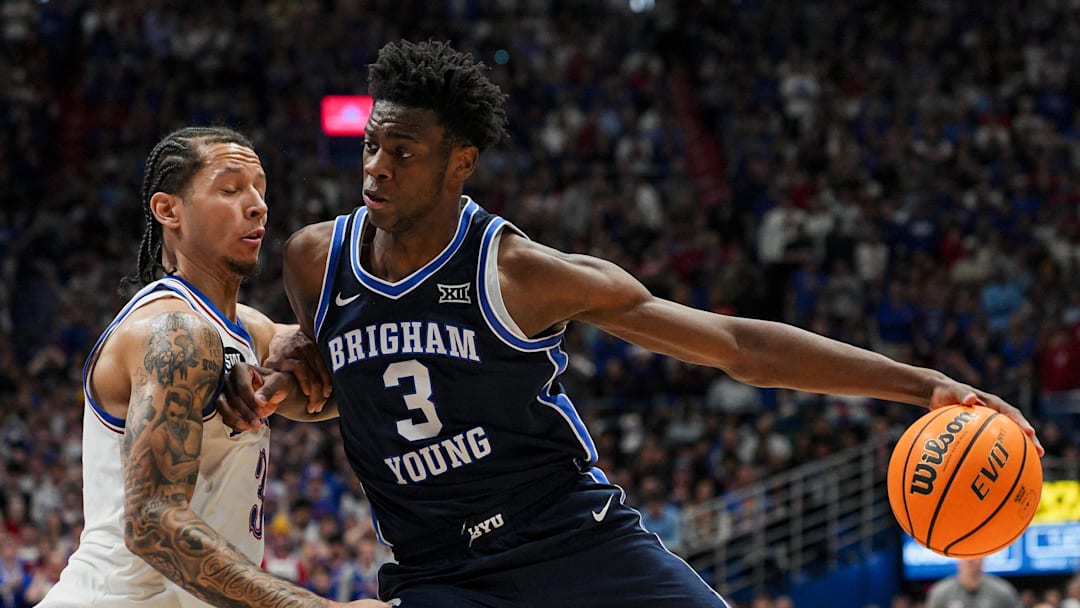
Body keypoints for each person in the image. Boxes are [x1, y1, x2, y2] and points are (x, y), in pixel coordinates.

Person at [227, 40, 1044, 607]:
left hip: (570, 540)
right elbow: (340, 391)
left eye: (403, 151)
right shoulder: (313, 260)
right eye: (372, 144)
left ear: (460, 163)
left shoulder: (521, 274)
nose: (376, 166)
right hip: (436, 569)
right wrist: (281, 381)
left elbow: (736, 347)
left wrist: (922, 385)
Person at [36, 127, 386, 608]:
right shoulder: (173, 333)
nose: (257, 205)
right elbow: (154, 524)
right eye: (230, 189)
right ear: (168, 210)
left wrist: (296, 362)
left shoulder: (248, 329)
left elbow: (342, 378)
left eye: (260, 188)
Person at [924, 558, 1021, 608]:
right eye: (967, 557)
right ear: (958, 560)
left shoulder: (1002, 591)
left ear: (983, 559)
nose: (972, 560)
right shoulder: (941, 593)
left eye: (976, 556)